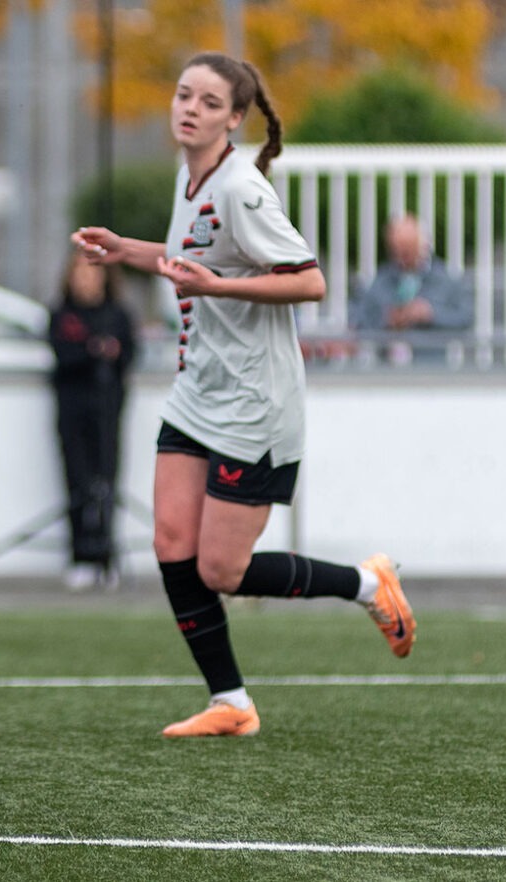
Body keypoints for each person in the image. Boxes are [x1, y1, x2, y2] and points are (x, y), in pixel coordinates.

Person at [72, 52, 417, 738]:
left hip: (255, 404)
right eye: (182, 94)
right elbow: (191, 261)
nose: (188, 107)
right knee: (171, 539)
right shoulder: (190, 175)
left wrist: (216, 288)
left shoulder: (242, 189)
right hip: (198, 391)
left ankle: (364, 583)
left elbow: (309, 280)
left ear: (234, 118)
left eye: (207, 101)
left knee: (221, 569)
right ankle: (231, 701)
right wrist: (127, 251)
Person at [48, 249, 138, 592]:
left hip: (108, 409)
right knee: (77, 480)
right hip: (72, 409)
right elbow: (63, 353)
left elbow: (128, 354)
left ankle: (106, 556)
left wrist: (108, 352)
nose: (86, 279)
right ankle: (80, 555)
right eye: (80, 272)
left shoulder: (117, 315)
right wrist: (90, 350)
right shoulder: (62, 314)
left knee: (107, 481)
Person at [350, 214, 473, 365]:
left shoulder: (445, 279)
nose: (402, 256)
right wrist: (386, 320)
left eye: (408, 249)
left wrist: (430, 313)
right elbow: (359, 319)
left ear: (423, 245)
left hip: (432, 369)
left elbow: (466, 317)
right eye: (397, 250)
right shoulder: (379, 281)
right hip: (388, 371)